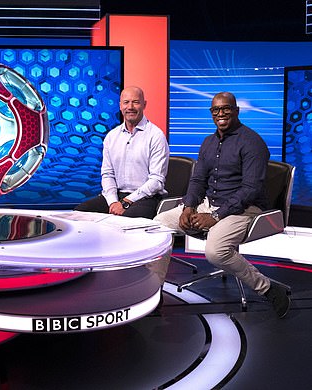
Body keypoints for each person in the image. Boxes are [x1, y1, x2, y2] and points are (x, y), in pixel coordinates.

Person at [154, 92, 291, 318]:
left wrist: (215, 217)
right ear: (211, 113)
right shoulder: (208, 142)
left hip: (244, 209)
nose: (221, 114)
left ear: (236, 111)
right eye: (216, 110)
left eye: (226, 108)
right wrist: (189, 207)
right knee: (158, 226)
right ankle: (154, 292)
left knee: (215, 252)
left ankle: (268, 288)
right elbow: (198, 180)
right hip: (210, 203)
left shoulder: (253, 142)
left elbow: (250, 190)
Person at [75, 86, 169, 219]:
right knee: (79, 213)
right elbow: (107, 174)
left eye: (135, 102)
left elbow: (156, 181)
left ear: (144, 105)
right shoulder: (112, 136)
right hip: (116, 196)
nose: (130, 107)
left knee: (124, 221)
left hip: (144, 198)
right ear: (120, 106)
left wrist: (125, 203)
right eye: (126, 102)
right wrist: (113, 201)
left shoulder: (156, 136)